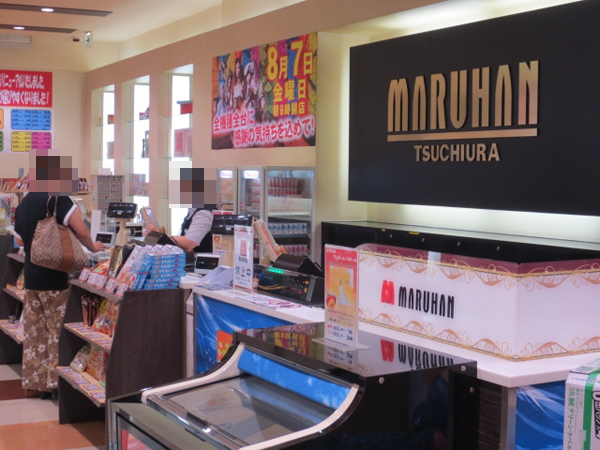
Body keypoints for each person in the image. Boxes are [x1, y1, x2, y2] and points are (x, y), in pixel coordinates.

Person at [13, 152, 104, 399]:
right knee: (56, 331)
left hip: (32, 276)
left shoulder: (26, 201)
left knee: (35, 331)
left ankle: (37, 383)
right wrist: (93, 246)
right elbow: (81, 230)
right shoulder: (58, 199)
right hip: (55, 278)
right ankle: (55, 384)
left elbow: (19, 240)